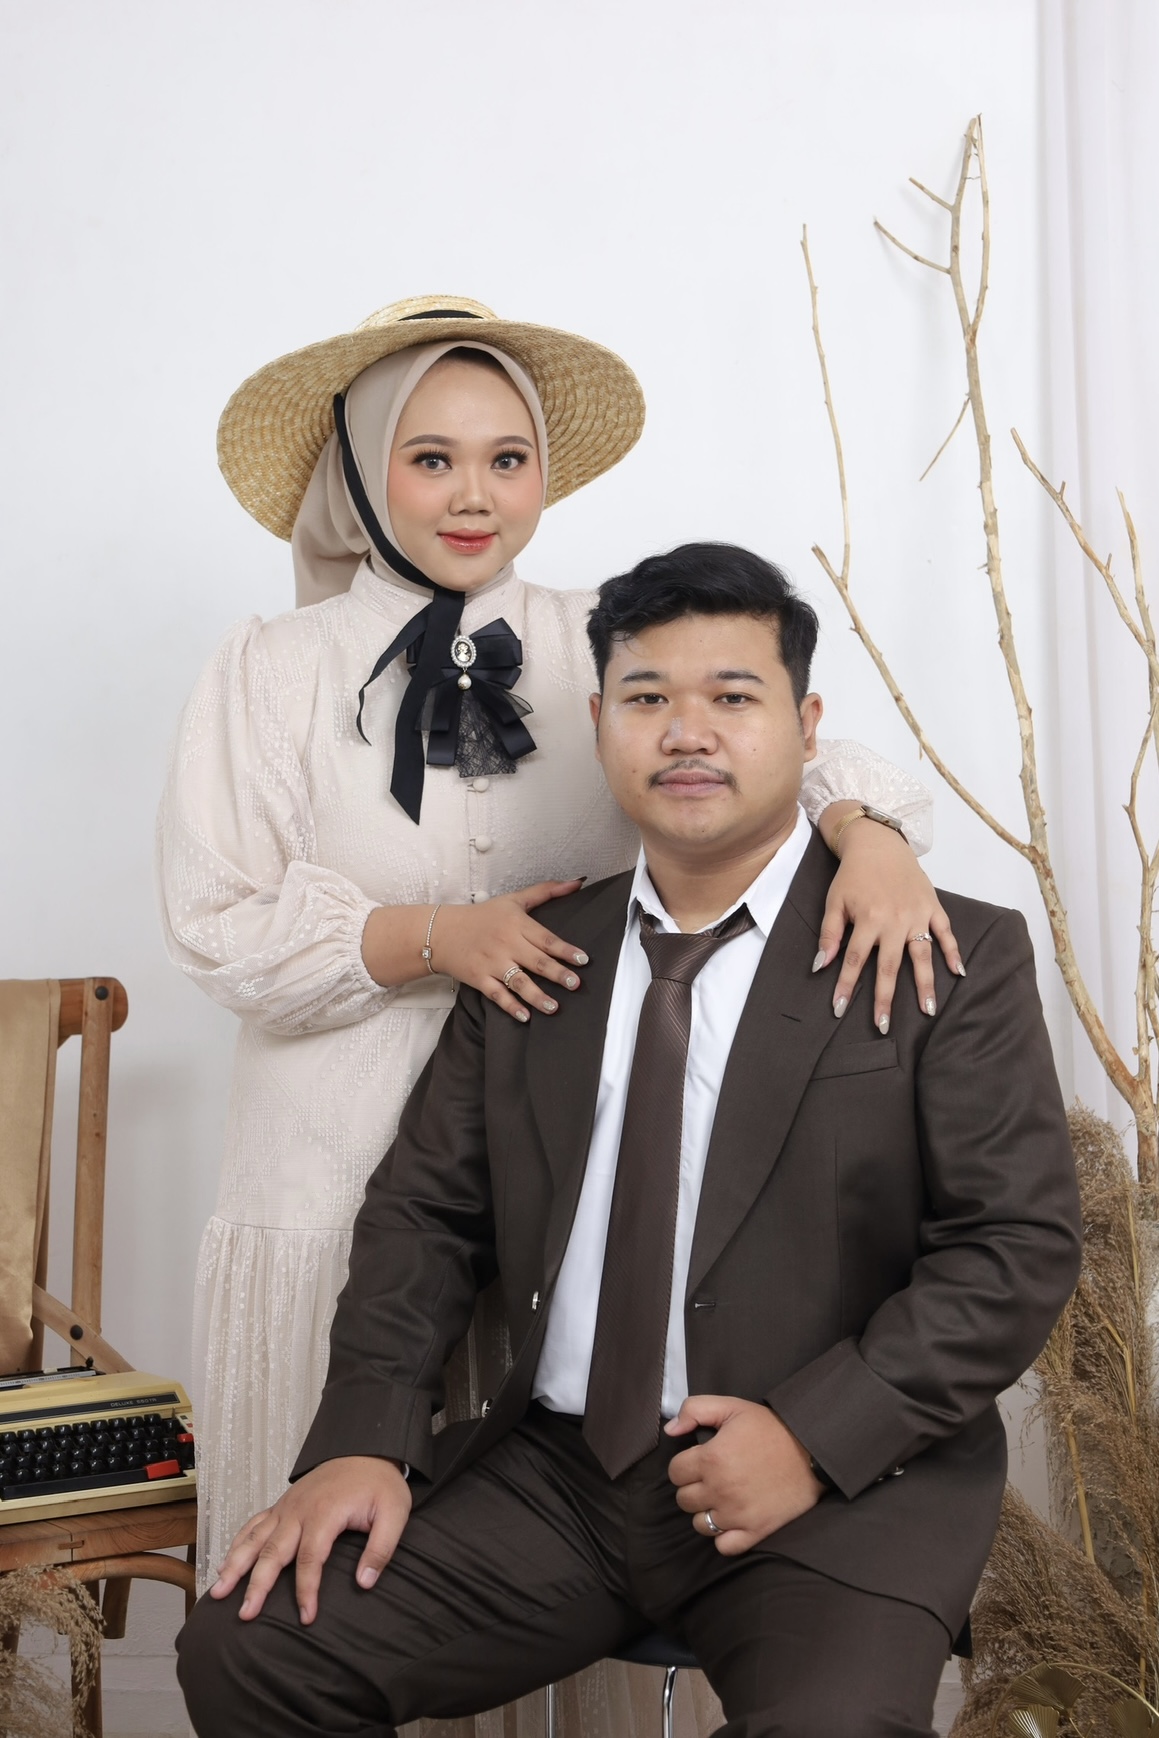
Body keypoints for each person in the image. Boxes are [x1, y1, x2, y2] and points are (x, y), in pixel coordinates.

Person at [177, 543, 1082, 1738]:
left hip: (842, 1489)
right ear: (602, 723)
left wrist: (812, 1438)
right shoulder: (538, 957)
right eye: (648, 697)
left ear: (807, 727)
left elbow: (1011, 1247)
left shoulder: (938, 950)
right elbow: (425, 1216)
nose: (686, 732)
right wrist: (362, 1443)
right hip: (564, 1477)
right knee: (252, 1648)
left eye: (732, 697)